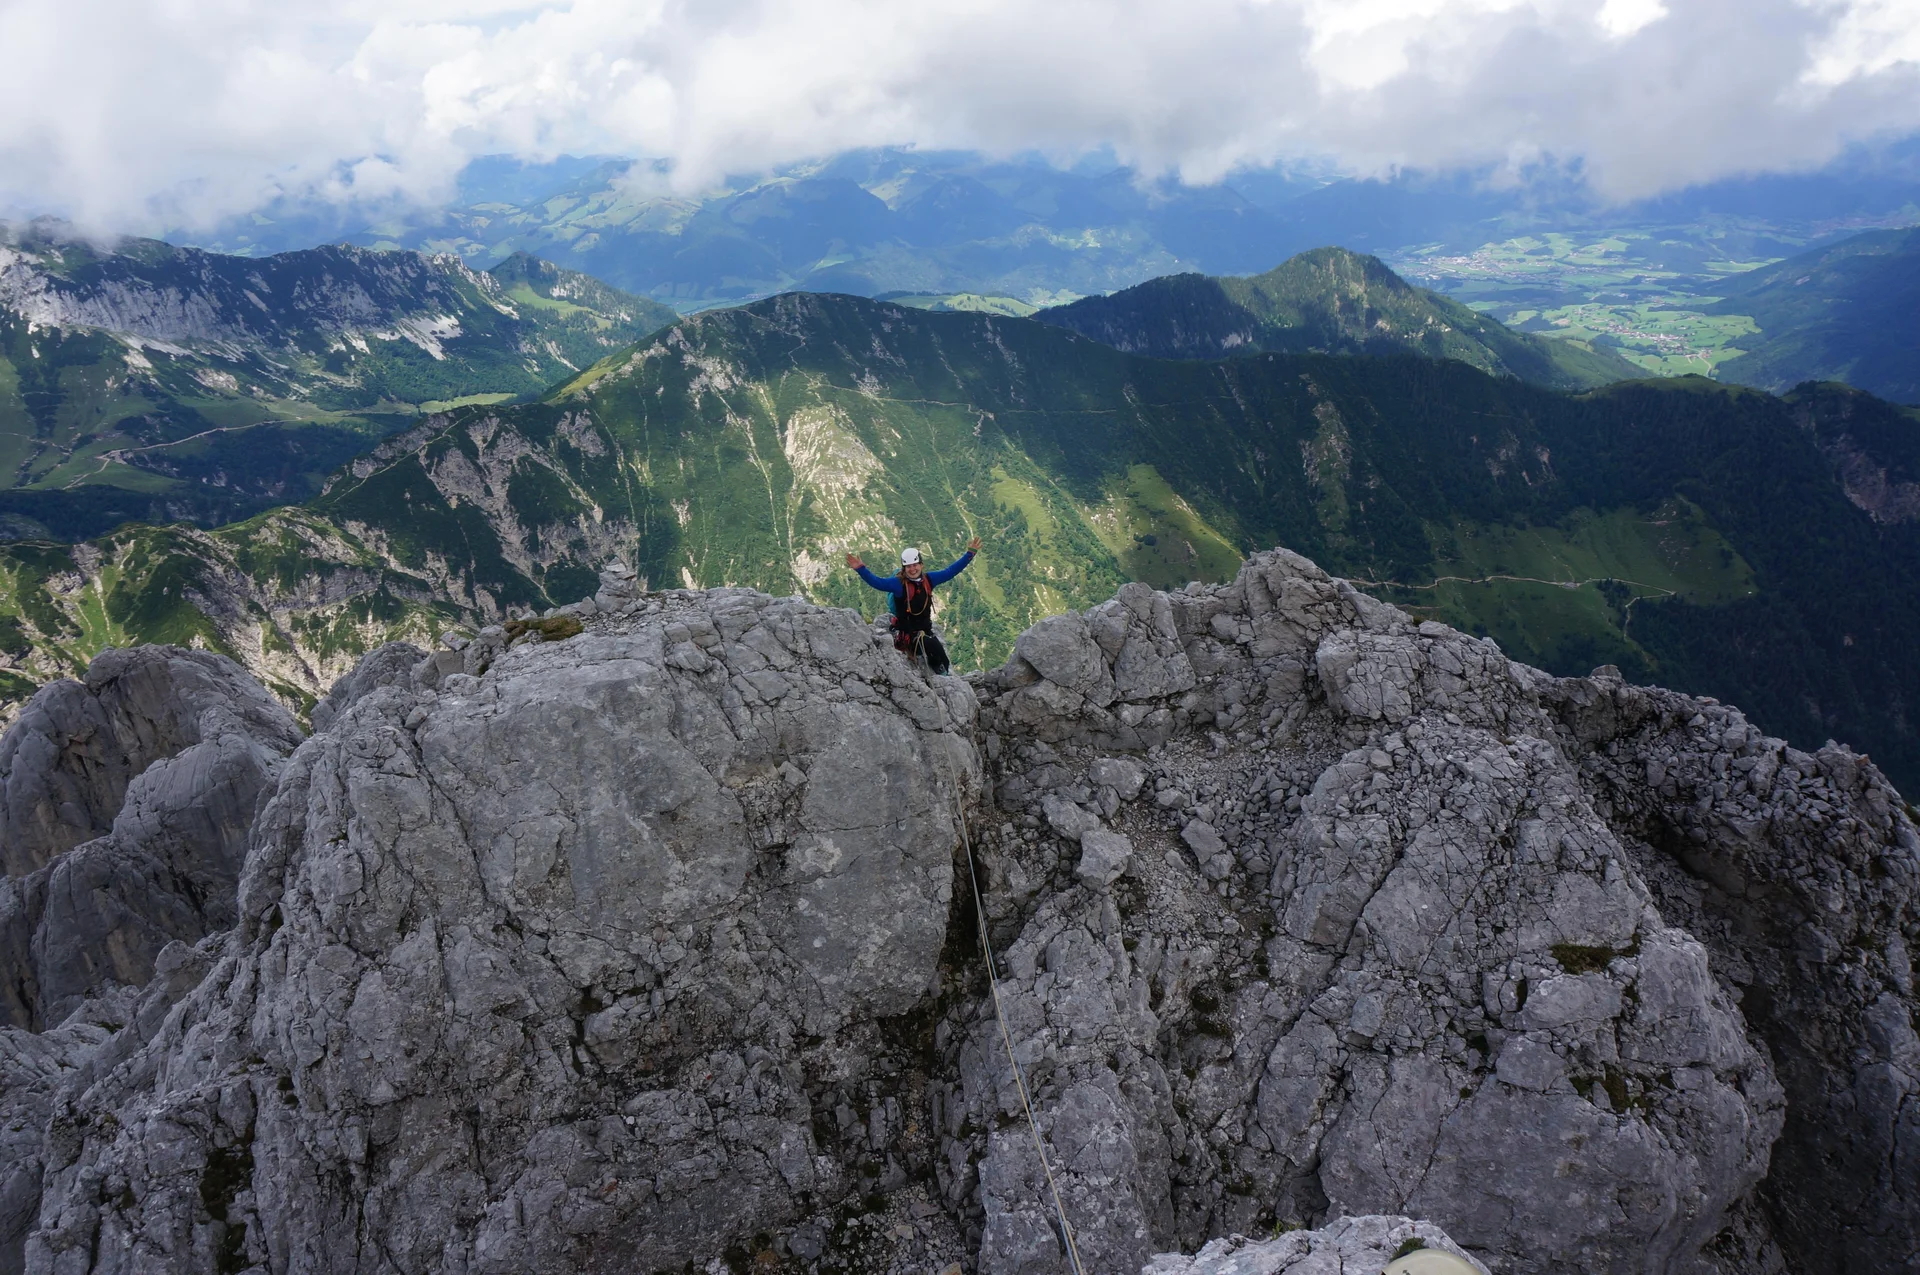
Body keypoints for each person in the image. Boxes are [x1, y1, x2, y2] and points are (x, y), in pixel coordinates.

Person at [846, 537, 981, 675]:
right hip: (908, 637)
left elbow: (950, 571)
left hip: (926, 631)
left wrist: (969, 554)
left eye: (915, 565)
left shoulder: (929, 580)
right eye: (908, 566)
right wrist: (861, 569)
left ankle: (941, 670)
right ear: (904, 569)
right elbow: (878, 583)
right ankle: (942, 676)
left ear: (921, 565)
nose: (912, 569)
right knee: (934, 647)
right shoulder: (898, 584)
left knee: (942, 657)